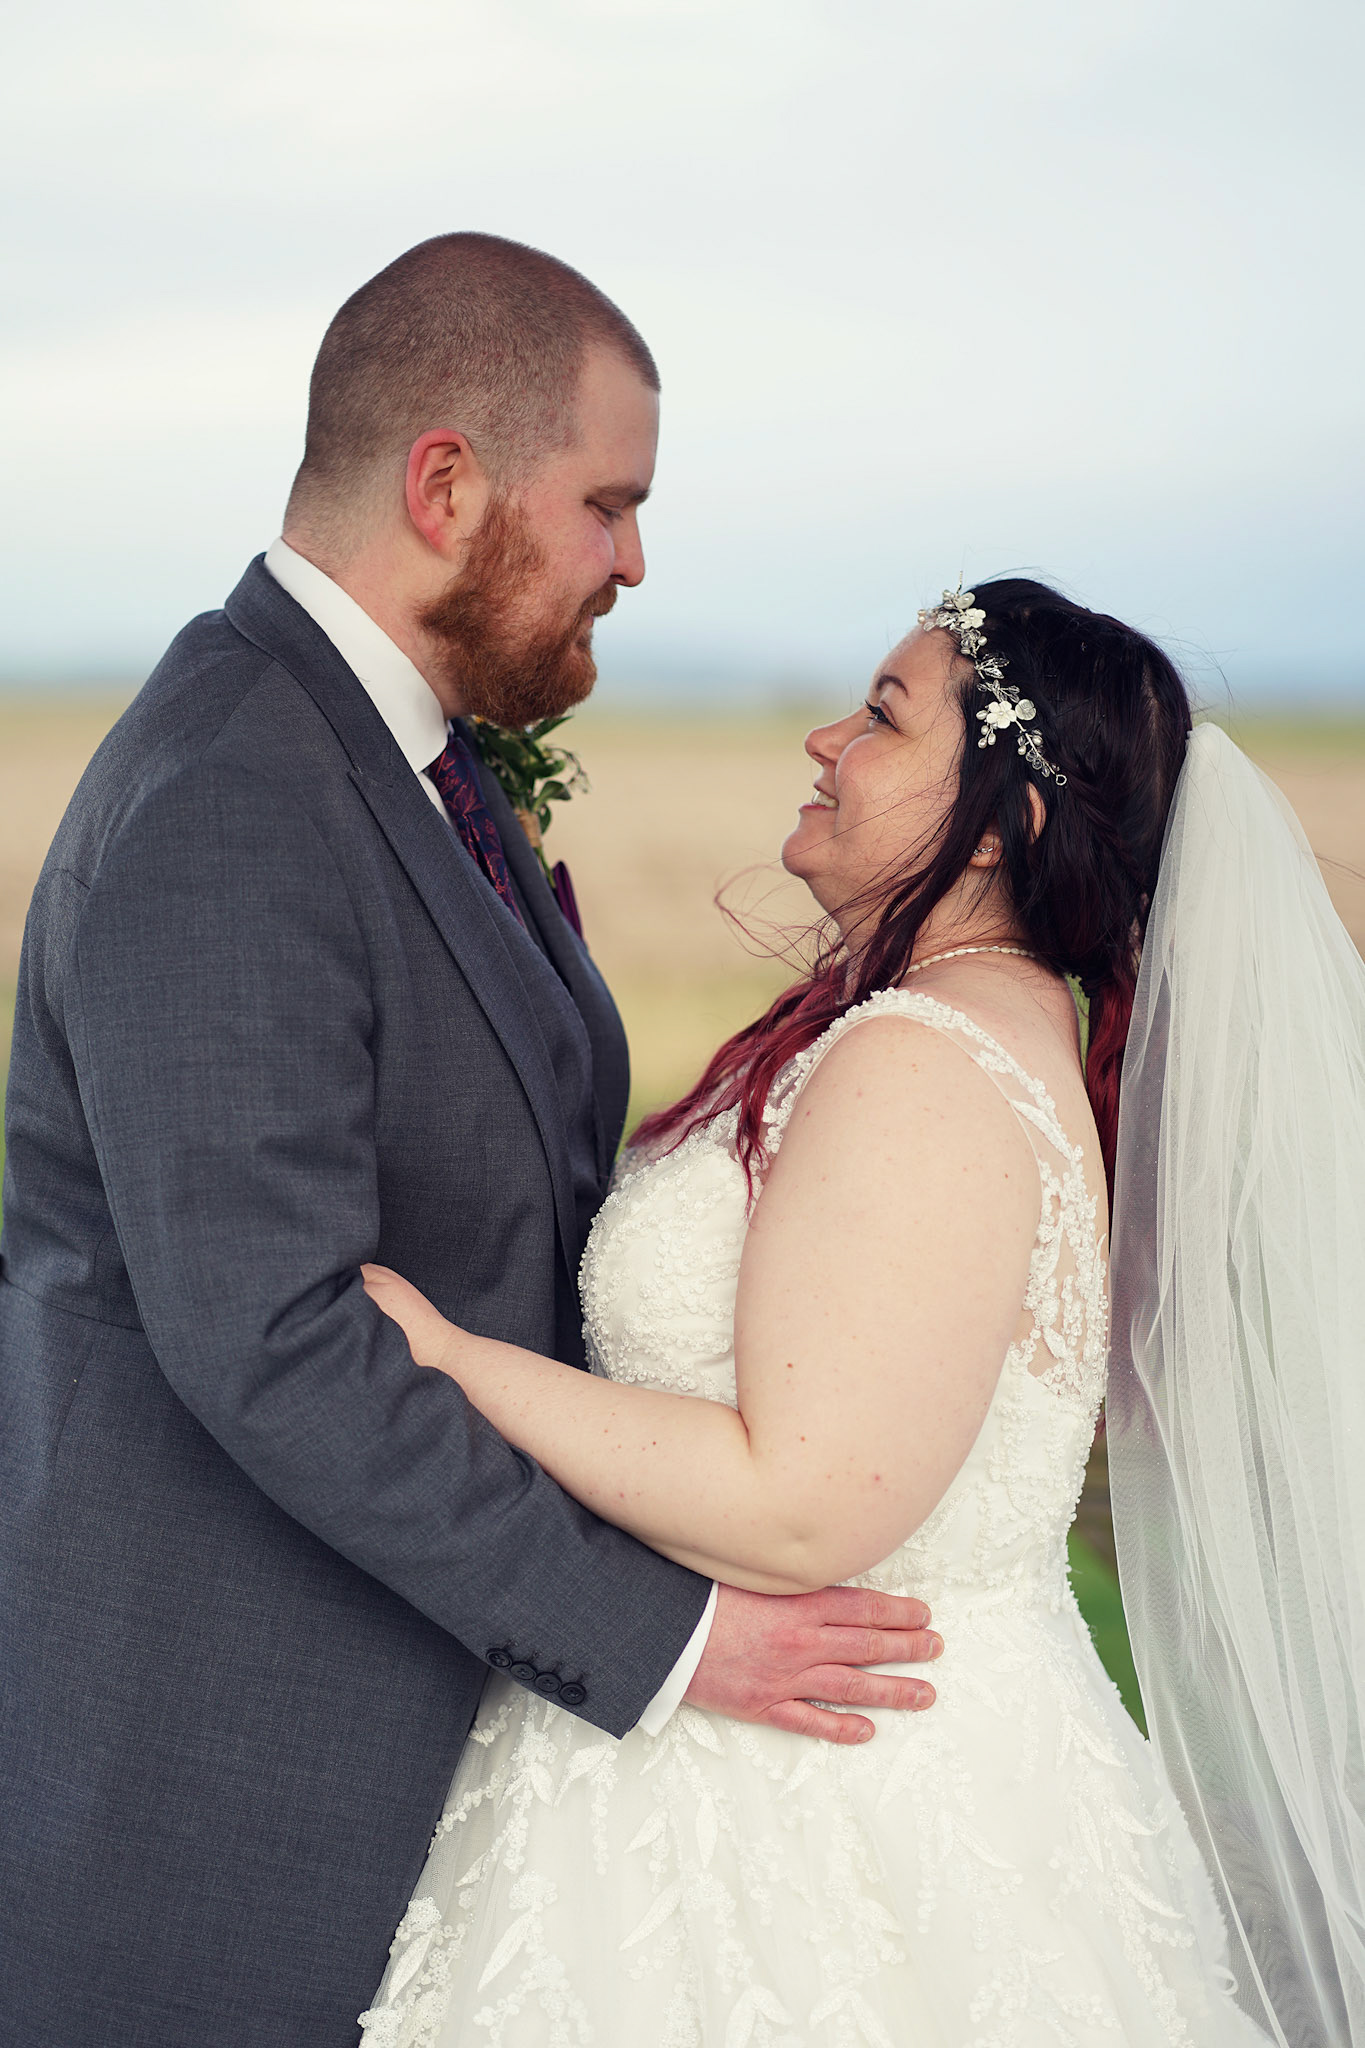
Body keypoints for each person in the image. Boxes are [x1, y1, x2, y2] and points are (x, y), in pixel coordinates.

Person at [0, 235, 939, 2048]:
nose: (633, 563)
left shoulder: (405, 760)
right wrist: (666, 1636)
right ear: (445, 487)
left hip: (403, 1736)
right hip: (211, 1789)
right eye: (608, 505)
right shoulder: (231, 794)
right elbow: (274, 1339)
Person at [356, 581, 1287, 2045]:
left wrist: (444, 1358)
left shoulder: (921, 1064)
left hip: (810, 1814)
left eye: (882, 716)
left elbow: (798, 1505)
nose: (824, 738)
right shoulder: (978, 1023)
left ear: (1003, 825)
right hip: (830, 1752)